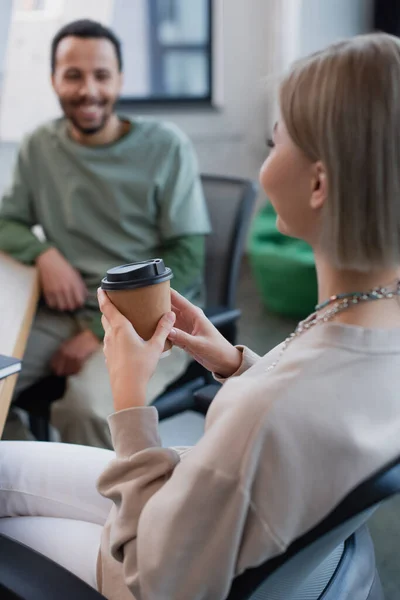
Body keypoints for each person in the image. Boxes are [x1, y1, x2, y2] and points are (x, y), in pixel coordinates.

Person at [1, 32, 400, 600]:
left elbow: (153, 576)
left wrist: (130, 395)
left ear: (318, 183)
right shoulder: (373, 323)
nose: (264, 162)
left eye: (273, 141)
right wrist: (238, 364)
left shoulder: (267, 416)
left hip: (152, 559)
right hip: (218, 510)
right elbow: (305, 409)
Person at [0, 19, 210, 448]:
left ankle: (113, 515)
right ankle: (22, 482)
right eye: (73, 75)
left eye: (101, 75)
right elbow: (6, 220)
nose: (88, 90)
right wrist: (45, 254)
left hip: (150, 320)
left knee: (87, 412)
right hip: (65, 311)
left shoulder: (166, 146)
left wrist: (97, 334)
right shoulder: (39, 145)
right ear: (54, 80)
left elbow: (187, 258)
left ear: (120, 80)